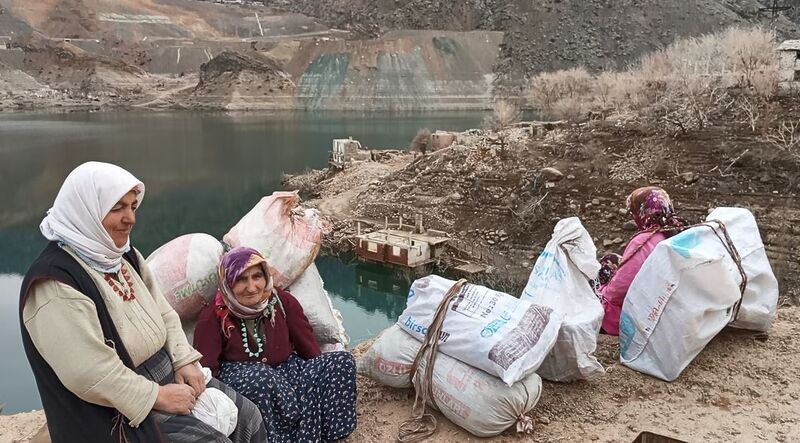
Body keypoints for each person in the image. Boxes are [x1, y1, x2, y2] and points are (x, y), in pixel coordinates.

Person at [19, 162, 267, 443]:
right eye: (117, 209)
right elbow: (88, 373)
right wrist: (156, 397)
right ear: (86, 211)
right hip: (113, 406)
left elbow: (163, 312)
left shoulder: (123, 256)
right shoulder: (55, 282)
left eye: (133, 206)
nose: (130, 218)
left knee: (249, 417)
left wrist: (184, 361)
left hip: (165, 373)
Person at [194, 246, 357, 443]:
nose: (252, 286)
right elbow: (207, 370)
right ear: (227, 282)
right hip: (245, 380)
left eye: (257, 277)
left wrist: (319, 376)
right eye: (241, 279)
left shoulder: (282, 302)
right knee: (262, 379)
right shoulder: (213, 316)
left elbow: (307, 344)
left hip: (288, 371)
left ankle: (331, 436)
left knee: (341, 361)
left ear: (266, 276)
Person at [597, 186, 686, 335]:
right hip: (668, 301)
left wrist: (600, 292)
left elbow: (617, 292)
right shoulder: (678, 231)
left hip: (644, 313)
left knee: (590, 290)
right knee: (612, 260)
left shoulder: (646, 240)